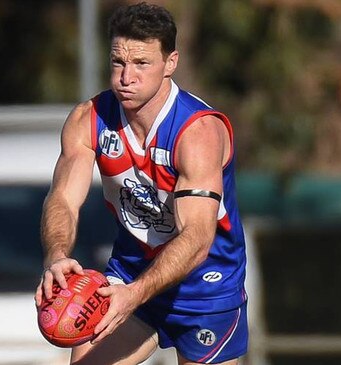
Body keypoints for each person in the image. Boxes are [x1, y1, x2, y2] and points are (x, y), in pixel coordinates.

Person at [35, 2, 248, 364]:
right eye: (118, 62)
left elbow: (197, 238)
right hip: (131, 272)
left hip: (205, 286)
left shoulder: (196, 132)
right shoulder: (89, 120)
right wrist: (56, 256)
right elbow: (64, 200)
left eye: (141, 64)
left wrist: (136, 294)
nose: (125, 77)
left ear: (171, 63)